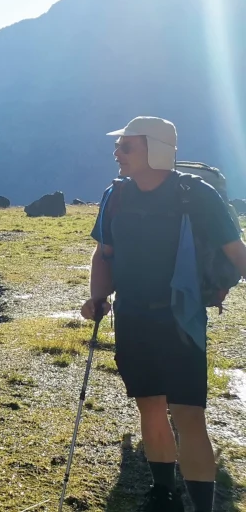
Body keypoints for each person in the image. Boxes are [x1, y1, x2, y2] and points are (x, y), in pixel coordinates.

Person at [82, 116, 246, 512]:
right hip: (132, 317)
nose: (116, 153)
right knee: (150, 406)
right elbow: (104, 253)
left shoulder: (197, 195)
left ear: (155, 149)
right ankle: (163, 494)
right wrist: (97, 297)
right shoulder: (116, 195)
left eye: (126, 146)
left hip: (180, 318)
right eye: (118, 146)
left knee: (188, 414)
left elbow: (235, 252)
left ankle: (202, 506)